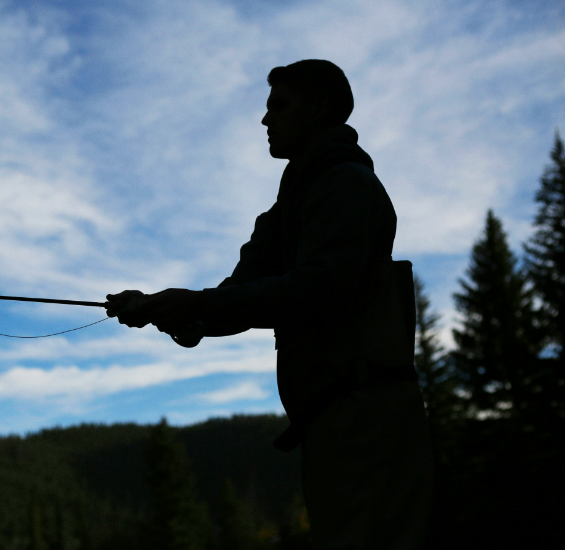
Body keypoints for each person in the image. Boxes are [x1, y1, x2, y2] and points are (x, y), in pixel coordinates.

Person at [106, 59, 433, 550]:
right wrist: (160, 307)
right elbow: (236, 295)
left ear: (319, 109)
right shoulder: (284, 211)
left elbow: (318, 290)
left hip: (369, 416)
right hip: (331, 421)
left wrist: (193, 305)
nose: (265, 120)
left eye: (278, 106)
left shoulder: (346, 185)